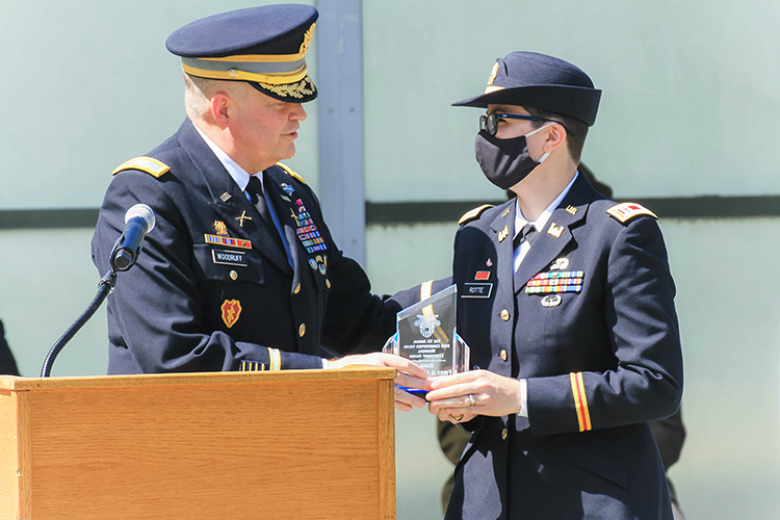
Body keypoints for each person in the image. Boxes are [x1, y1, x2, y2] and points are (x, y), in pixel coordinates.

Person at [91, 5, 428, 410]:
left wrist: (472, 285)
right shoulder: (148, 197)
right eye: (279, 102)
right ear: (223, 109)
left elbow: (354, 321)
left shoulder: (289, 192)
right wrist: (327, 375)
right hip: (188, 455)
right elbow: (175, 356)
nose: (300, 113)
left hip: (289, 448)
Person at [422, 51, 683, 519]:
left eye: (501, 120)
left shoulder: (617, 234)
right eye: (485, 119)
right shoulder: (477, 235)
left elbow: (655, 383)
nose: (486, 134)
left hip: (589, 500)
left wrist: (520, 397)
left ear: (550, 137)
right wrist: (458, 401)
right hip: (489, 498)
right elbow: (471, 353)